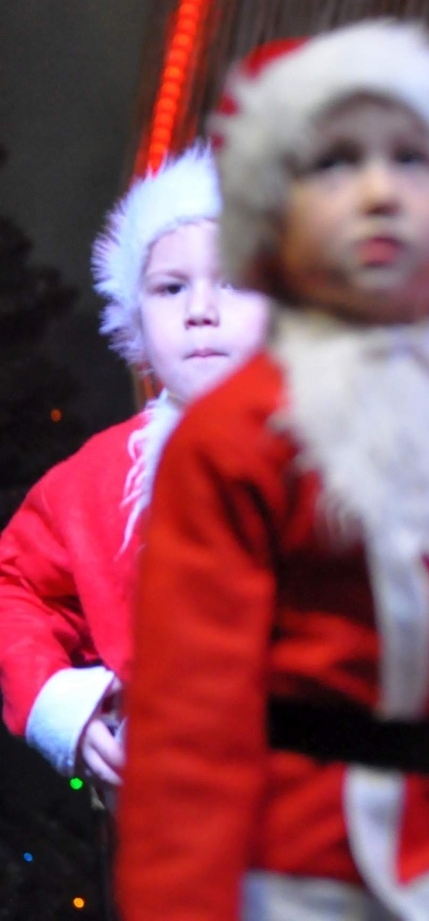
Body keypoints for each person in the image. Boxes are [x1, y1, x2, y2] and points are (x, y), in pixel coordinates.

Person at [115, 20, 429, 921]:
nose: (379, 191)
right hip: (290, 878)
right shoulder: (233, 438)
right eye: (335, 163)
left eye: (412, 159)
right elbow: (189, 722)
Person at [0, 146, 267, 785]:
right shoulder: (98, 480)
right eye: (171, 287)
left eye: (232, 280)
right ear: (137, 322)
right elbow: (15, 587)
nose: (201, 308)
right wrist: (64, 707)